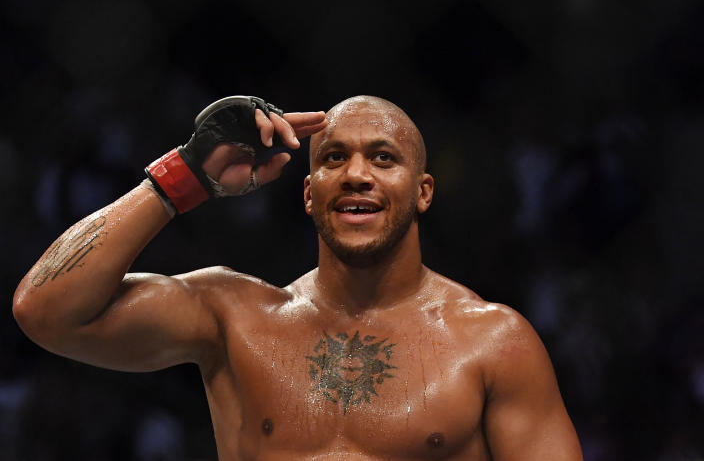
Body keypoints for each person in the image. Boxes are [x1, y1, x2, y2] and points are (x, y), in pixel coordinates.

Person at [13, 94, 583, 460]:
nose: (356, 174)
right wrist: (184, 175)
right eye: (333, 158)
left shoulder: (491, 343)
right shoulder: (233, 318)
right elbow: (45, 310)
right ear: (309, 195)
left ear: (423, 191)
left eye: (383, 158)